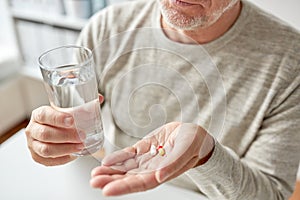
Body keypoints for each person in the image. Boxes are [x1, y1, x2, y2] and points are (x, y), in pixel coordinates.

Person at [25, 0, 300, 199]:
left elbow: (271, 195)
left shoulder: (290, 60)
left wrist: (204, 154)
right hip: (111, 187)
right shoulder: (107, 27)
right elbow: (78, 135)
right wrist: (55, 140)